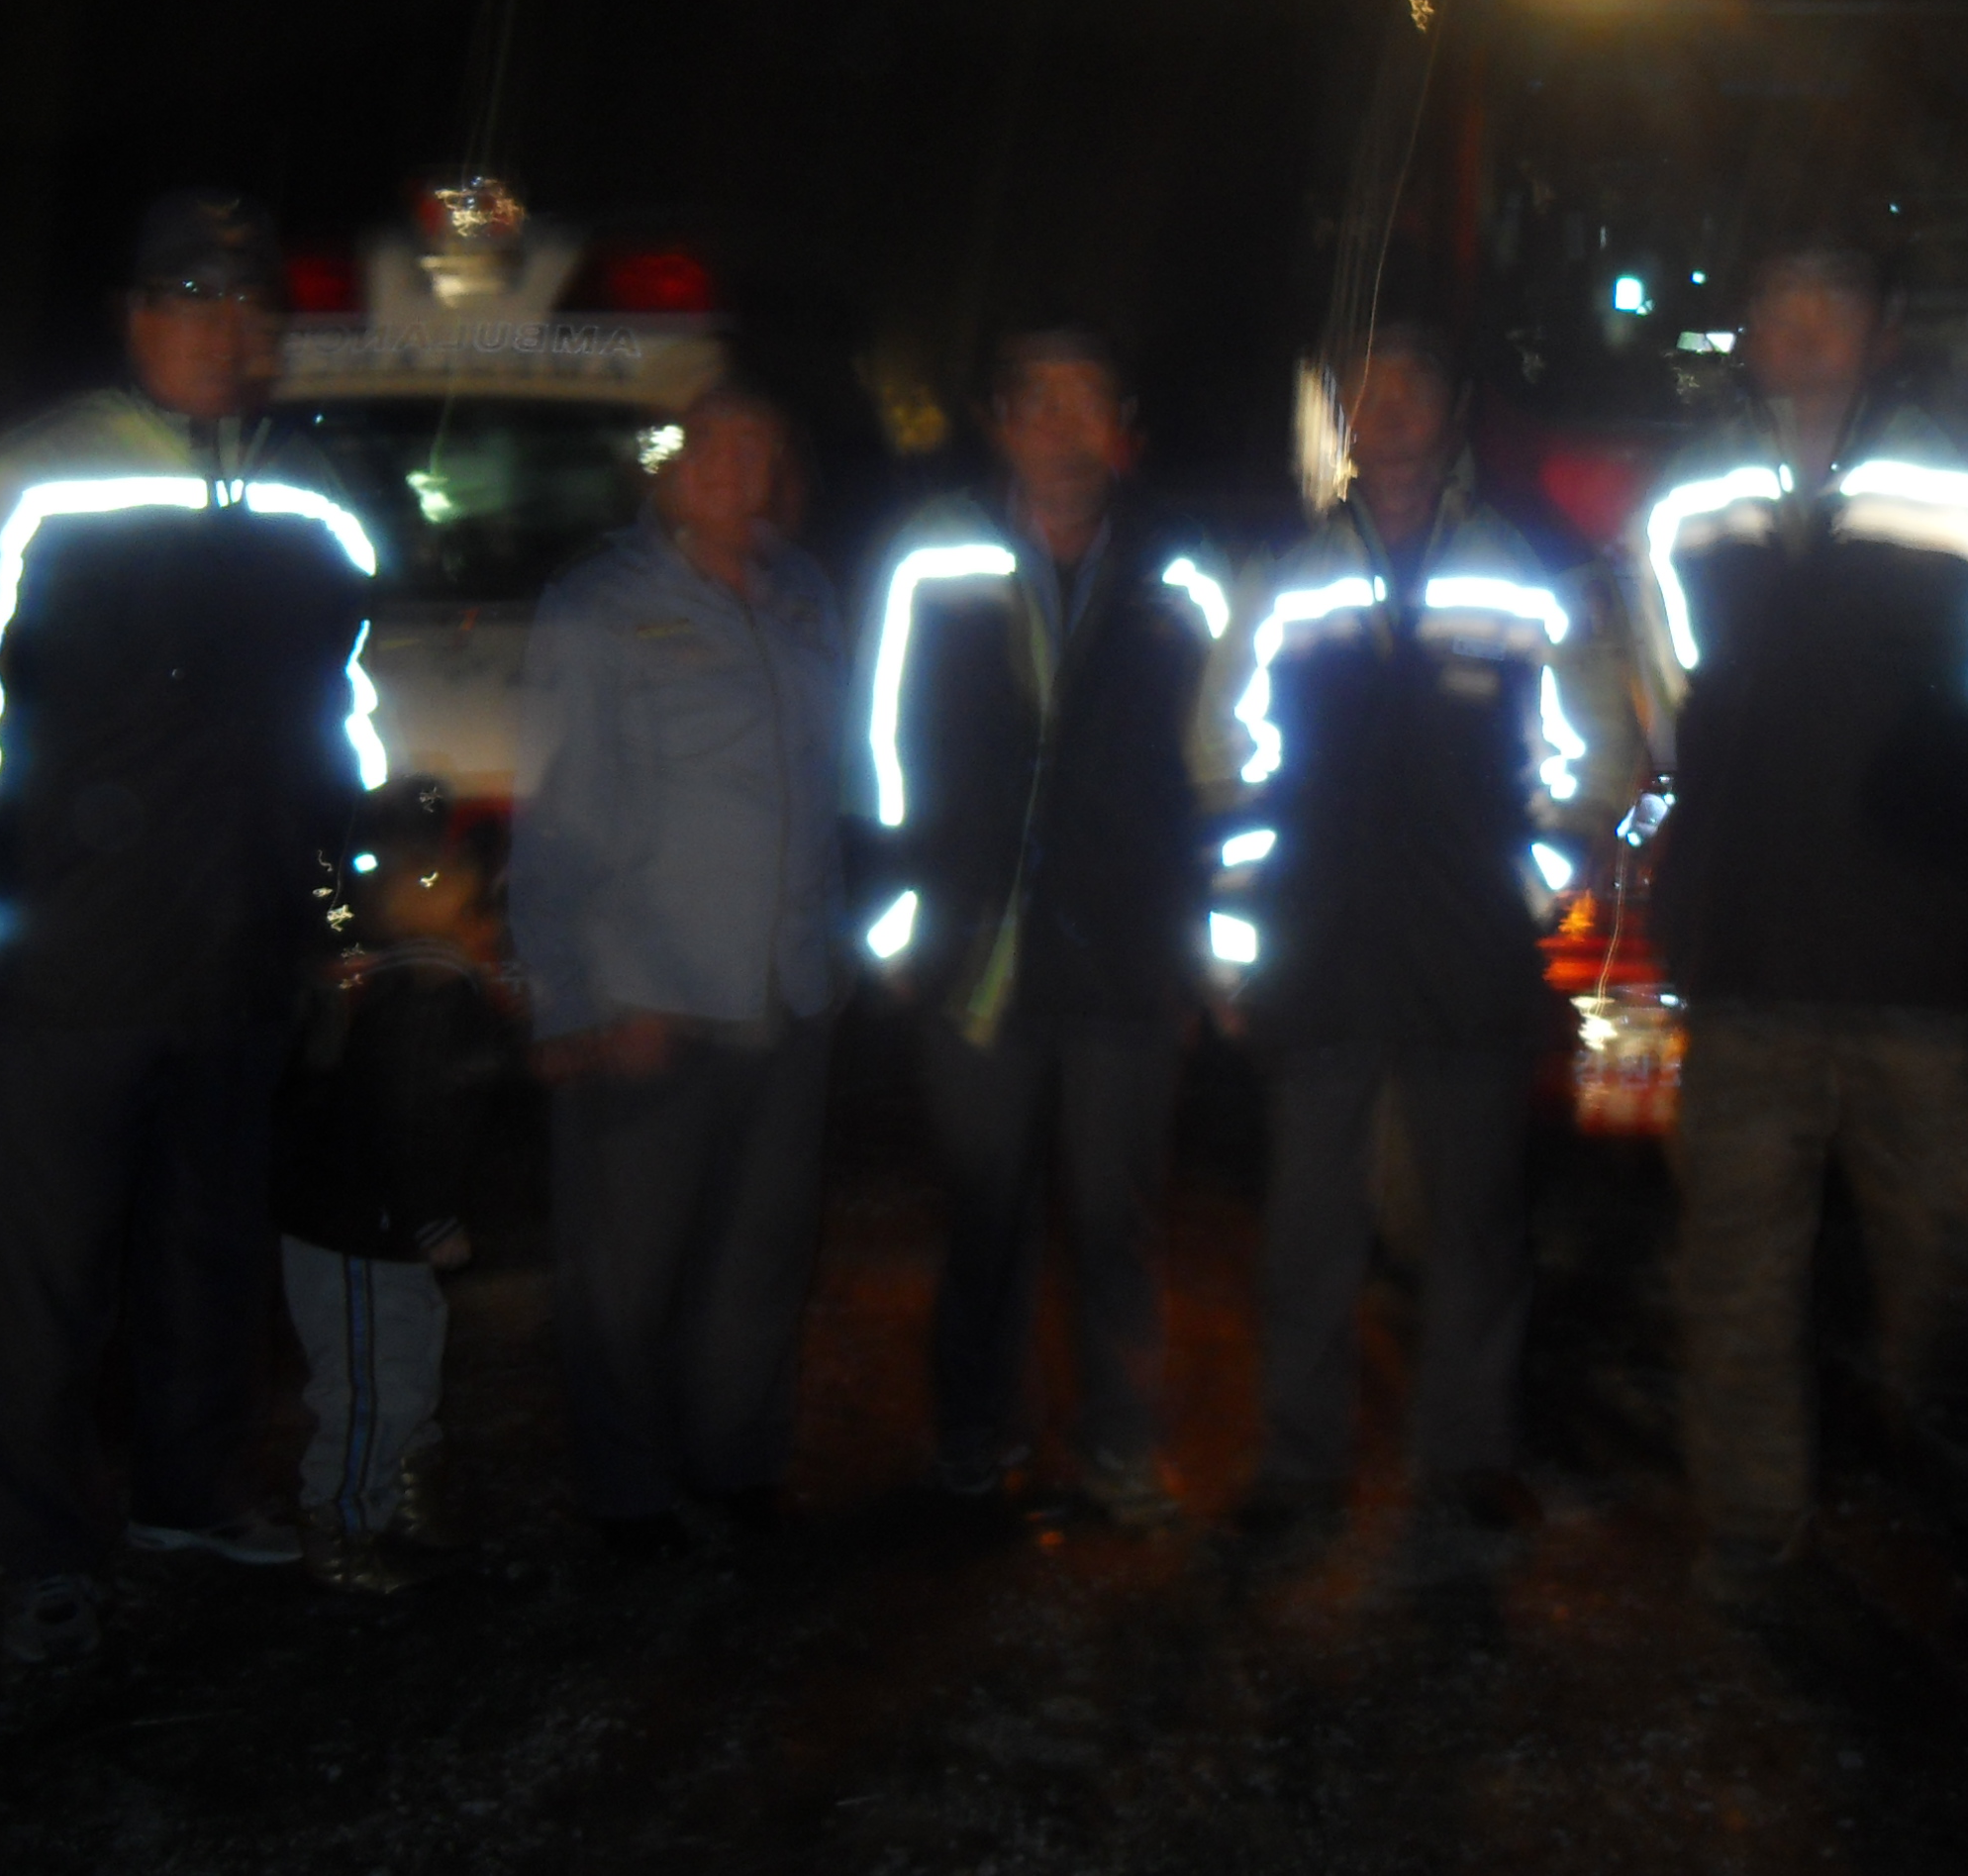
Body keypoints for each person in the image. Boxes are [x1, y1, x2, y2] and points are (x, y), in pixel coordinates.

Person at [0, 188, 388, 1663]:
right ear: (135, 318)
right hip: (69, 958)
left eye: (249, 305)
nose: (224, 332)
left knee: (208, 1253)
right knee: (40, 1278)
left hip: (239, 954)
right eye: (190, 300)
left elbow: (347, 720)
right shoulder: (23, 482)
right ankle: (43, 1545)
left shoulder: (317, 497)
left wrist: (342, 901)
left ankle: (190, 1494)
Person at [1630, 242, 1968, 1612]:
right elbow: (1658, 690)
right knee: (1735, 1273)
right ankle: (1751, 1533)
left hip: (1924, 965)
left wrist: (1950, 800)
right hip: (1747, 952)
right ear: (1749, 332)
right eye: (1780, 306)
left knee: (1947, 1266)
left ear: (1887, 333)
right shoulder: (1683, 499)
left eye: (1835, 306)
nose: (1806, 329)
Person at [1202, 324, 1635, 1555]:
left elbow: (1600, 753)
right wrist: (1242, 935)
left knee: (1476, 1227)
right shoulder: (1283, 575)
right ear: (1343, 419)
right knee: (1309, 1229)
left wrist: (1528, 890)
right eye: (1367, 392)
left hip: (1468, 954)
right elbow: (1221, 757)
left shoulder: (1532, 572)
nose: (1388, 409)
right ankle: (1300, 1465)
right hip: (1317, 947)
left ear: (1453, 411)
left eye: (1412, 387)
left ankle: (1466, 1458)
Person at [857, 329, 1229, 1527]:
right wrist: (898, 919)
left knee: (1119, 1215)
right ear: (1000, 420)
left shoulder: (1183, 566)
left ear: (1121, 425)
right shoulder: (932, 555)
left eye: (1089, 399)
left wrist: (1208, 943)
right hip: (978, 947)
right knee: (984, 1209)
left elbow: (1226, 761)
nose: (1065, 422)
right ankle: (975, 1433)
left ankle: (1121, 1443)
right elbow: (880, 745)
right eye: (1041, 399)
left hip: (1126, 944)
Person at [509, 380, 851, 1553]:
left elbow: (827, 789)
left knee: (760, 1253)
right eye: (712, 448)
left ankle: (737, 1466)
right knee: (629, 1268)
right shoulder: (600, 607)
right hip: (647, 995)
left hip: (785, 992)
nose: (736, 470)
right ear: (667, 471)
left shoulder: (805, 598)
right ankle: (627, 1492)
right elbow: (557, 814)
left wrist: (833, 947)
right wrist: (568, 996)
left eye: (760, 448)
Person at [273, 785, 505, 1591]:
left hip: (379, 1226)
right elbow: (404, 1112)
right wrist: (430, 1215)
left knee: (404, 1363)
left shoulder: (418, 984)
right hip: (357, 1230)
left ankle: (401, 1494)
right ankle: (340, 1522)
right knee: (369, 1379)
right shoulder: (420, 994)